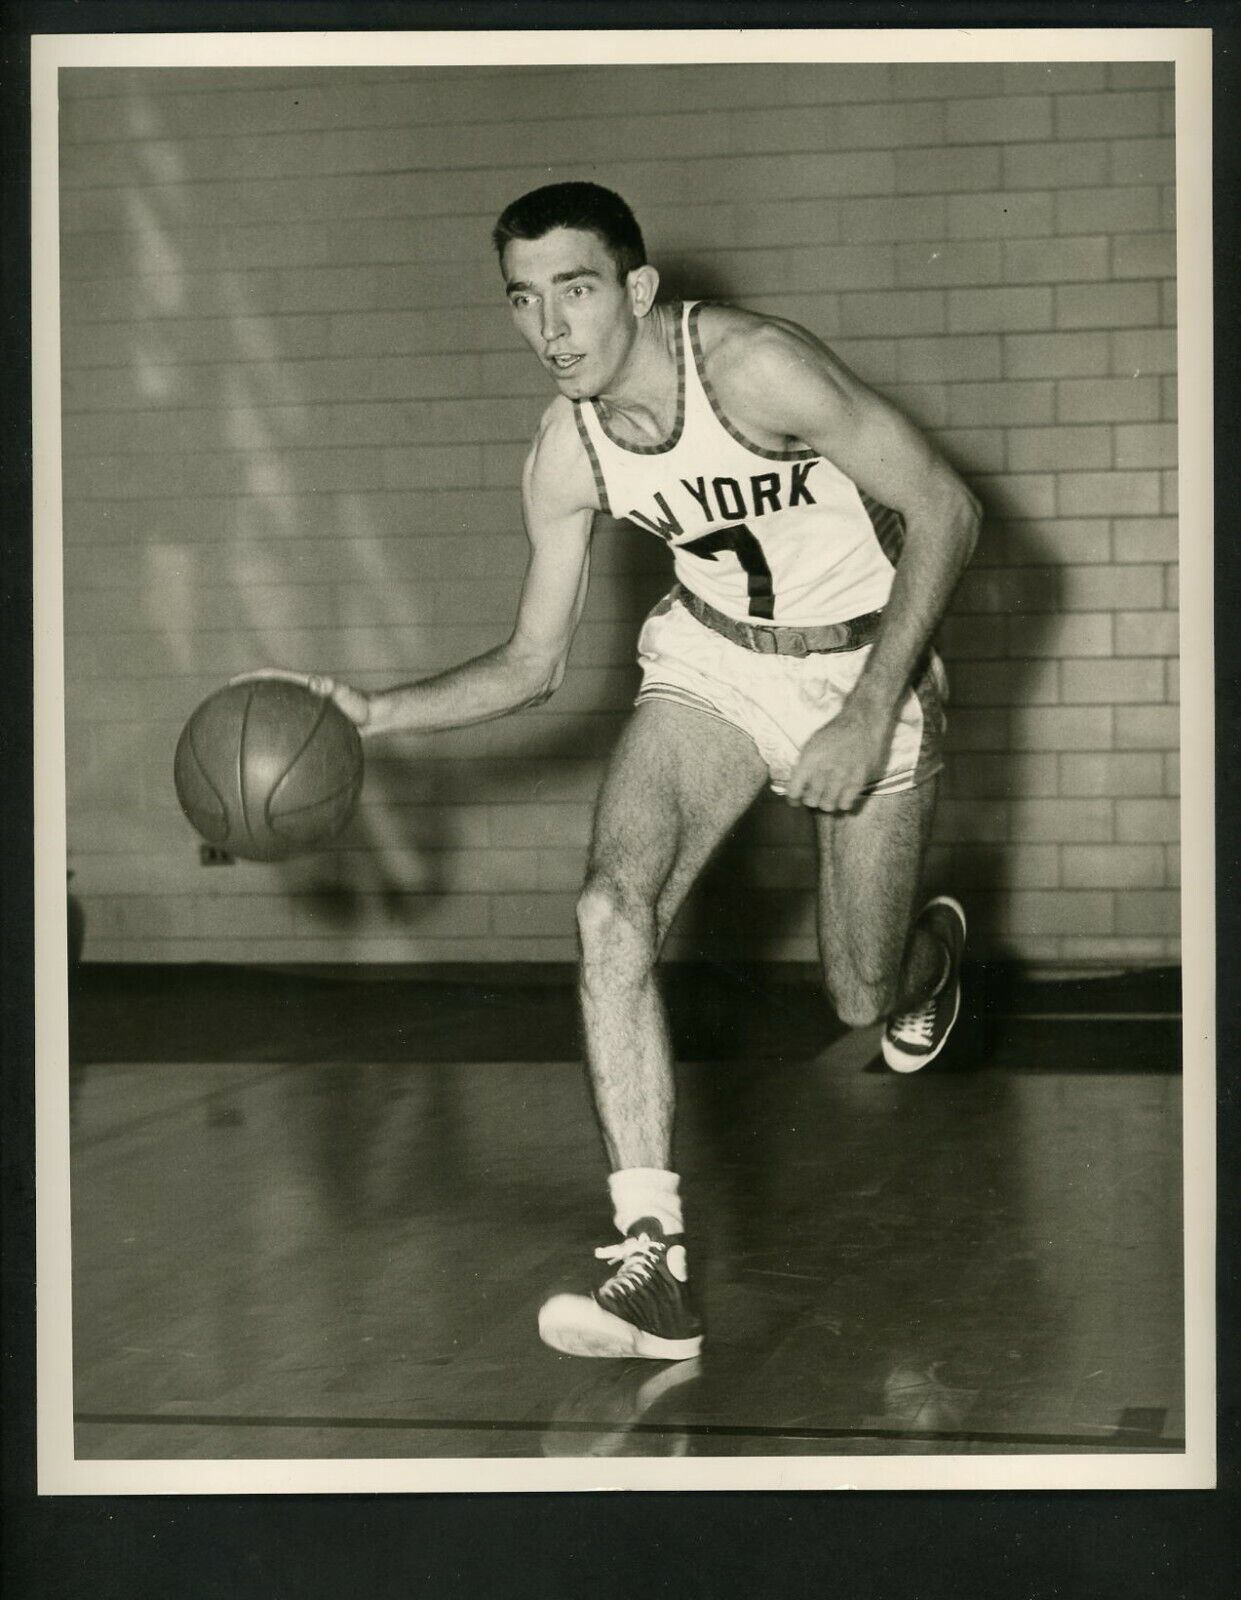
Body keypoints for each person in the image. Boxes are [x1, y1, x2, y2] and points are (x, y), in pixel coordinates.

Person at [252, 181, 981, 1363]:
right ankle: (654, 1268)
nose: (551, 327)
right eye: (524, 300)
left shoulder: (753, 369)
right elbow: (534, 664)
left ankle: (927, 962)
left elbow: (945, 510)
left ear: (637, 291)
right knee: (608, 909)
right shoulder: (564, 450)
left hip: (865, 663)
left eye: (576, 292)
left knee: (856, 995)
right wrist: (373, 712)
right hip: (714, 664)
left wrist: (868, 704)